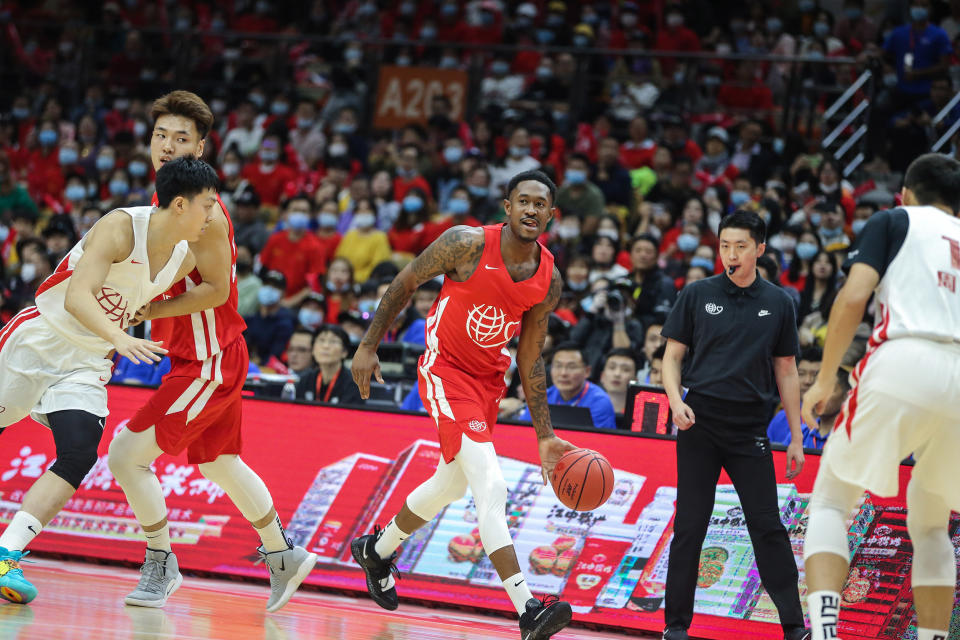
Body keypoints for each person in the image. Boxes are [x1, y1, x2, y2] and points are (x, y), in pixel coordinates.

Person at [106, 91, 316, 612]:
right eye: (161, 135)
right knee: (221, 463)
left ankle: (161, 562)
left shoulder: (207, 210)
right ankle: (283, 555)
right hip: (200, 355)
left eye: (181, 138)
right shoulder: (167, 197)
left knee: (126, 457)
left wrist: (145, 311)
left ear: (201, 146)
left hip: (210, 360)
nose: (168, 145)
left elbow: (217, 291)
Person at [349, 170, 575, 640]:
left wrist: (546, 434)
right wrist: (369, 344)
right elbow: (406, 282)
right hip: (445, 371)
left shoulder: (548, 277)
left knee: (450, 484)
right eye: (523, 201)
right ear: (507, 206)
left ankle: (377, 548)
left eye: (541, 205)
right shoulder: (466, 243)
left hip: (490, 382)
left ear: (552, 216)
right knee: (490, 486)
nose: (531, 210)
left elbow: (531, 357)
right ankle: (527, 608)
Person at [0, 156, 215, 604]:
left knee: (79, 452)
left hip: (87, 361)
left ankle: (7, 554)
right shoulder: (120, 226)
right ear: (179, 204)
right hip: (41, 338)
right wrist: (121, 336)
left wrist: (149, 312)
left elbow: (213, 290)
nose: (211, 215)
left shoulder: (182, 256)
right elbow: (78, 296)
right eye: (207, 205)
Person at [801, 153, 960, 640]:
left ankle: (825, 634)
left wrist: (826, 380)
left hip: (905, 358)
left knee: (830, 501)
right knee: (932, 523)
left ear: (906, 192)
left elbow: (852, 298)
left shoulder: (894, 219)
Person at [660, 210, 809, 640]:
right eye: (725, 245)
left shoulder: (779, 302)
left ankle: (794, 626)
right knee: (690, 524)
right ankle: (675, 627)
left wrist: (796, 436)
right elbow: (672, 357)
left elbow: (787, 371)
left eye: (741, 245)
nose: (731, 253)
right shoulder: (696, 293)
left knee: (767, 525)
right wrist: (675, 401)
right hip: (698, 423)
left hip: (749, 430)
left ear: (760, 249)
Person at [295, 324, 363, 405]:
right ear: (313, 350)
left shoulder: (354, 383)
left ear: (344, 352)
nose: (325, 346)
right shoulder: (305, 380)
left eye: (333, 341)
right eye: (321, 340)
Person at [767, 346, 822, 446]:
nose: (808, 381)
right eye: (801, 374)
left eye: (815, 374)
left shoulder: (837, 421)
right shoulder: (782, 418)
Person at [598, 347, 639, 415]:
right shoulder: (590, 407)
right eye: (612, 367)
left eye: (625, 369)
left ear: (635, 380)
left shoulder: (638, 414)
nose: (617, 374)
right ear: (602, 376)